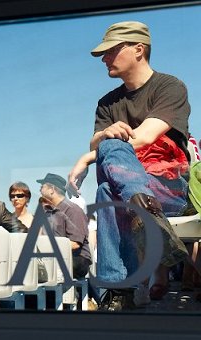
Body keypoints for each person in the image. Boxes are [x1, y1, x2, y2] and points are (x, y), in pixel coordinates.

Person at [68, 21, 190, 310]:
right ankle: (144, 215)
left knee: (110, 170)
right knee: (107, 192)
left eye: (111, 50)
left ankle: (119, 291)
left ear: (139, 49)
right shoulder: (107, 103)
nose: (104, 58)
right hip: (136, 197)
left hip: (168, 188)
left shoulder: (170, 87)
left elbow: (145, 136)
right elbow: (97, 141)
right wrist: (99, 142)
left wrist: (88, 156)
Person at [37, 173, 91, 279]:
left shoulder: (72, 210)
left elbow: (75, 244)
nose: (40, 190)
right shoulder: (46, 212)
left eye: (42, 186)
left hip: (77, 259)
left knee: (42, 269)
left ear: (52, 189)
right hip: (55, 257)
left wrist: (47, 250)